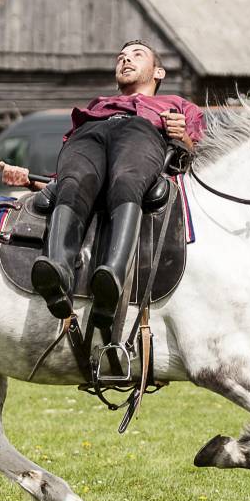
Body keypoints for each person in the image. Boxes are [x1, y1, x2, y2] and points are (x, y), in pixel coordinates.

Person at [24, 39, 205, 325]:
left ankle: (113, 277)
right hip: (92, 133)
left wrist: (181, 135)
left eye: (137, 55)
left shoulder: (178, 107)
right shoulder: (97, 106)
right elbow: (64, 173)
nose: (125, 60)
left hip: (140, 132)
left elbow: (196, 154)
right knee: (73, 183)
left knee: (126, 179)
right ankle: (59, 271)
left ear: (159, 73)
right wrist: (32, 181)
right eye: (121, 57)